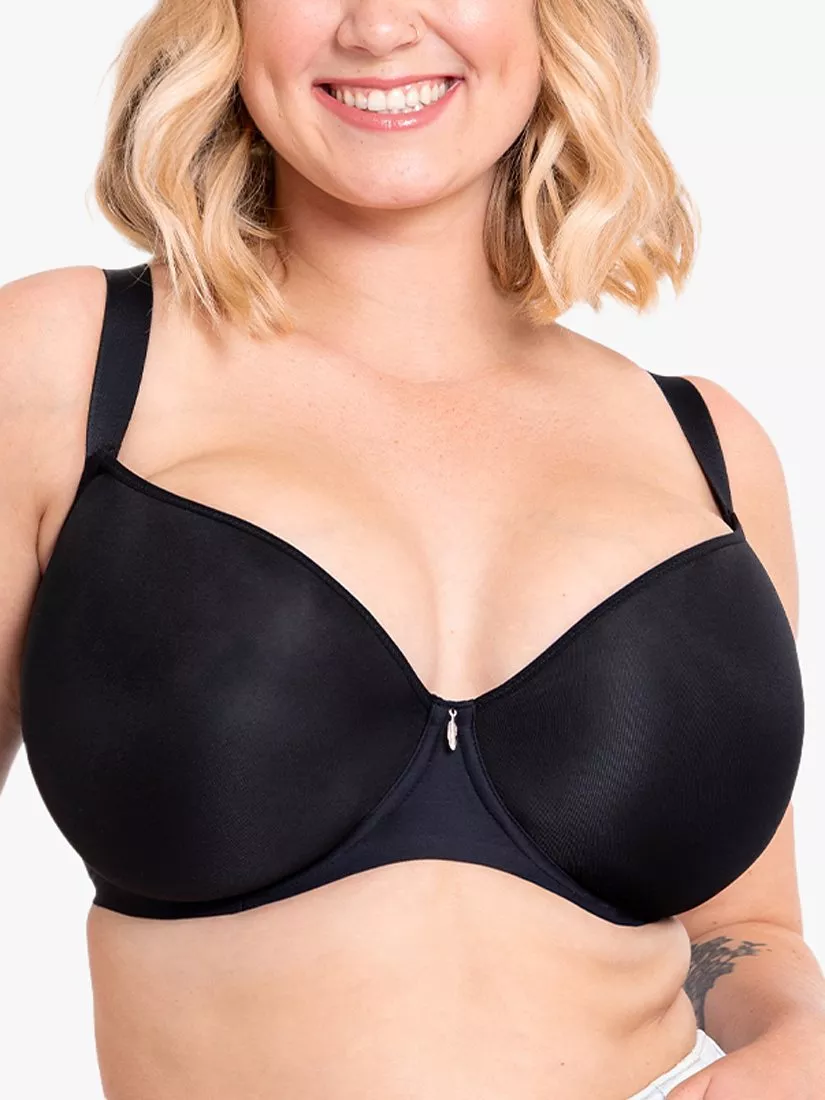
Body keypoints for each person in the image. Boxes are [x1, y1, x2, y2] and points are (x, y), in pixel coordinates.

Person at [1, 1, 822, 1098]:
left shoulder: (706, 449)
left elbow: (742, 926)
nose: (381, 27)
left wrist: (800, 1032)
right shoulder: (67, 368)